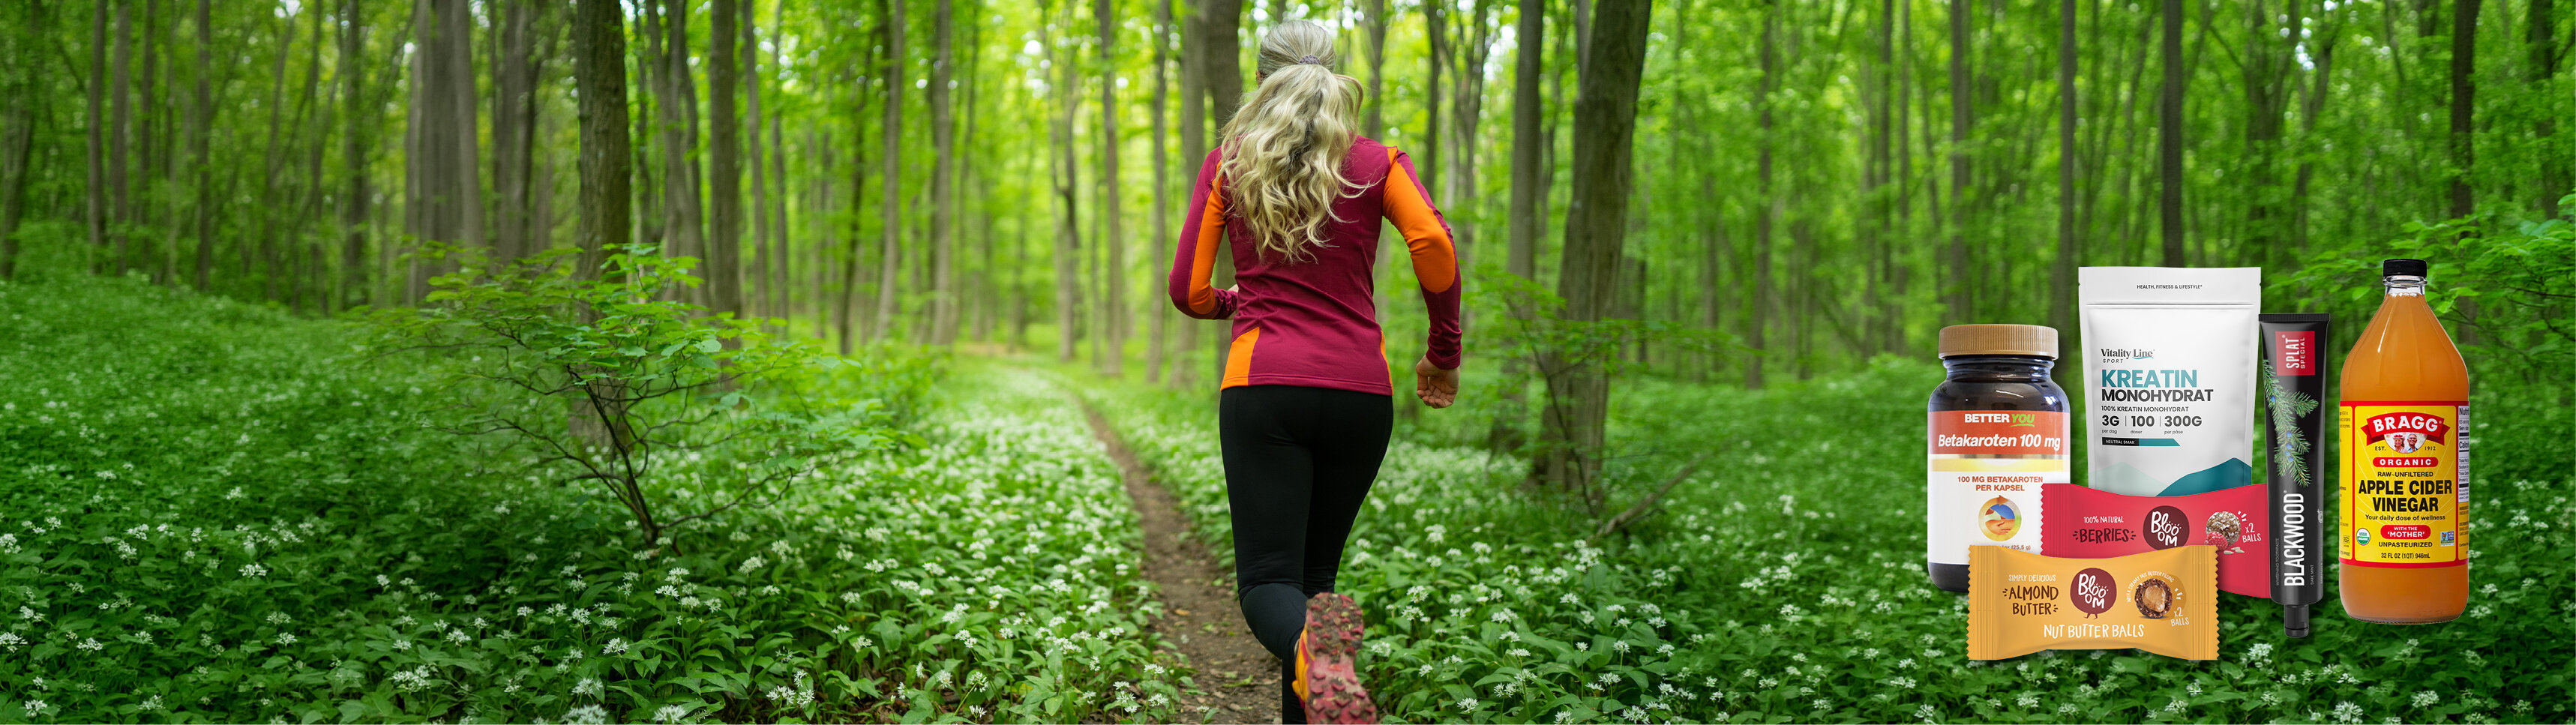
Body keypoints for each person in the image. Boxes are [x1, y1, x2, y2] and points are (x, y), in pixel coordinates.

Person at [1164, 19, 1462, 725]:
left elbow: (1187, 290)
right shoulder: (1378, 162)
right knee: (1314, 582)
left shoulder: (1229, 161)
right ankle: (1326, 690)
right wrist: (1442, 353)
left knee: (1269, 582)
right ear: (1333, 69)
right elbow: (1432, 243)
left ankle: (1321, 668)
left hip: (1264, 384)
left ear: (1261, 74)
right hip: (1361, 391)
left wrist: (1233, 303)